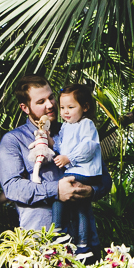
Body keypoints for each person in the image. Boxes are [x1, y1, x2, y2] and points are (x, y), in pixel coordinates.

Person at [0, 74, 111, 235]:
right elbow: (12, 188)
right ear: (25, 108)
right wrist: (56, 190)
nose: (50, 105)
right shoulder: (14, 140)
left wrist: (91, 190)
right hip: (41, 241)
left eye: (51, 98)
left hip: (82, 238)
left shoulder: (77, 128)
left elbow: (105, 179)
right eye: (41, 102)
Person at [52, 84, 102, 256]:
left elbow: (88, 147)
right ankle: (82, 243)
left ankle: (56, 231)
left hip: (85, 170)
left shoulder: (86, 124)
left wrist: (69, 158)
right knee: (80, 207)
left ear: (85, 107)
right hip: (76, 169)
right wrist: (52, 145)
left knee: (59, 195)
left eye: (71, 107)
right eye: (63, 108)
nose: (65, 112)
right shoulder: (66, 126)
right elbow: (62, 145)